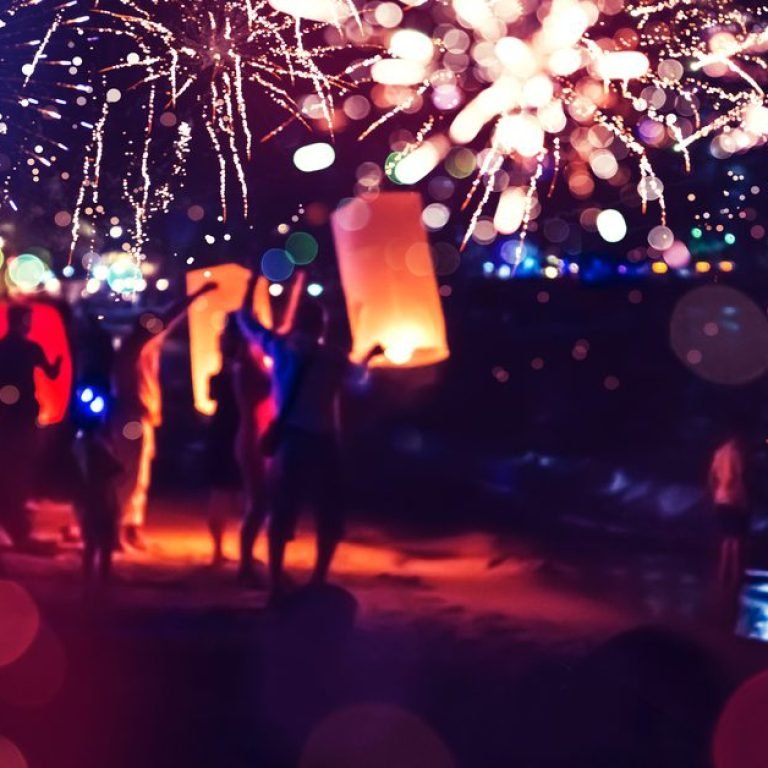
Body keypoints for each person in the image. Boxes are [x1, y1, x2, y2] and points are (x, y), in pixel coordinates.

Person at [239, 273, 383, 604]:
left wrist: (250, 286)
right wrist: (370, 357)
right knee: (328, 513)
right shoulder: (332, 358)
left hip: (289, 441)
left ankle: (275, 585)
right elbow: (359, 385)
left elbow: (247, 321)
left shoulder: (279, 348)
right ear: (322, 326)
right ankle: (318, 580)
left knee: (281, 512)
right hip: (324, 442)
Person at [112, 282, 216, 550]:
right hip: (132, 418)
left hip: (137, 418)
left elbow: (168, 319)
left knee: (138, 474)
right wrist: (197, 295)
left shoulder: (138, 346)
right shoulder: (138, 347)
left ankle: (130, 528)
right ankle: (117, 531)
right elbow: (170, 317)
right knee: (130, 475)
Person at [206, 315, 271, 569]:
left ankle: (219, 551)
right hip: (243, 430)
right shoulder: (248, 369)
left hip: (221, 428)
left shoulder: (223, 371)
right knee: (250, 493)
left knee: (220, 491)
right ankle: (245, 551)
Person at [0, 304, 62, 545]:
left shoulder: (9, 348)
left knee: (12, 467)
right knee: (17, 468)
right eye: (28, 320)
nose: (30, 325)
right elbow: (52, 373)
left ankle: (14, 521)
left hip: (13, 415)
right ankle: (15, 524)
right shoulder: (26, 349)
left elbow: (52, 372)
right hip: (18, 416)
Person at [74, 418, 122, 584]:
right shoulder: (99, 447)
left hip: (88, 500)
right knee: (104, 542)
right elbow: (117, 468)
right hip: (102, 499)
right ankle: (104, 576)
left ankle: (88, 577)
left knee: (91, 542)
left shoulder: (79, 446)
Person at [709, 432, 751, 589]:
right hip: (735, 499)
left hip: (721, 498)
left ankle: (722, 574)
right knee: (736, 538)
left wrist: (715, 494)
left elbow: (711, 475)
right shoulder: (737, 453)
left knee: (726, 537)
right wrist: (744, 499)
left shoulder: (719, 452)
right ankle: (735, 576)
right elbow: (739, 477)